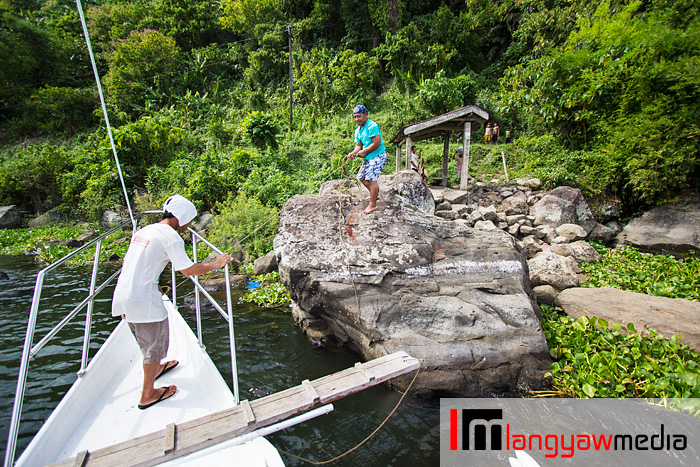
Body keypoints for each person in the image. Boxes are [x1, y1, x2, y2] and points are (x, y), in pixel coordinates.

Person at [112, 194, 232, 410]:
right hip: (142, 300)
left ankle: (156, 369)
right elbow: (188, 270)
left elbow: (133, 261)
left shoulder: (145, 230)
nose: (188, 226)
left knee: (147, 340)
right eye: (188, 221)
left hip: (124, 293)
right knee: (153, 346)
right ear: (179, 217)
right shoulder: (171, 236)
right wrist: (216, 264)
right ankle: (148, 394)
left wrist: (153, 283)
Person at [346, 104, 387, 214]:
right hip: (368, 157)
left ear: (365, 114)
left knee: (370, 179)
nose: (357, 119)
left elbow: (377, 143)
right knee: (361, 177)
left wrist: (364, 152)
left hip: (378, 155)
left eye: (359, 116)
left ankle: (372, 204)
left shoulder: (372, 126)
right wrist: (353, 153)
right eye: (355, 117)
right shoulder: (358, 130)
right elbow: (358, 145)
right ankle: (375, 193)